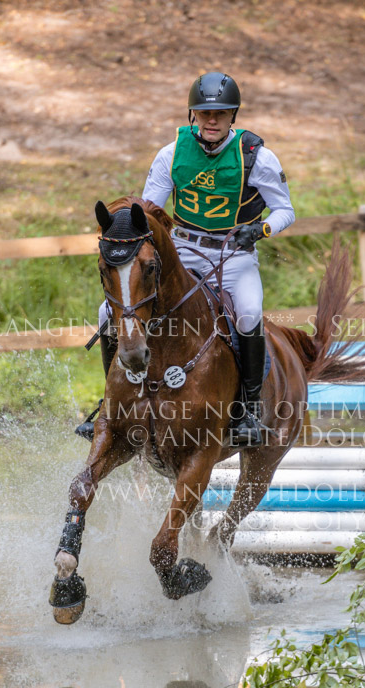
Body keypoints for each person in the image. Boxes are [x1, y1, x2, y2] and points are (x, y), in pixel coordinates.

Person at [77, 71, 295, 446]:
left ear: (233, 116)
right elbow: (148, 211)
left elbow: (285, 210)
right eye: (205, 113)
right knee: (104, 314)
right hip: (183, 252)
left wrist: (260, 230)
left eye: (221, 113)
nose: (212, 121)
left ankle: (248, 410)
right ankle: (113, 403)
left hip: (233, 256)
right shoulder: (172, 153)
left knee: (248, 314)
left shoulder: (256, 157)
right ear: (193, 114)